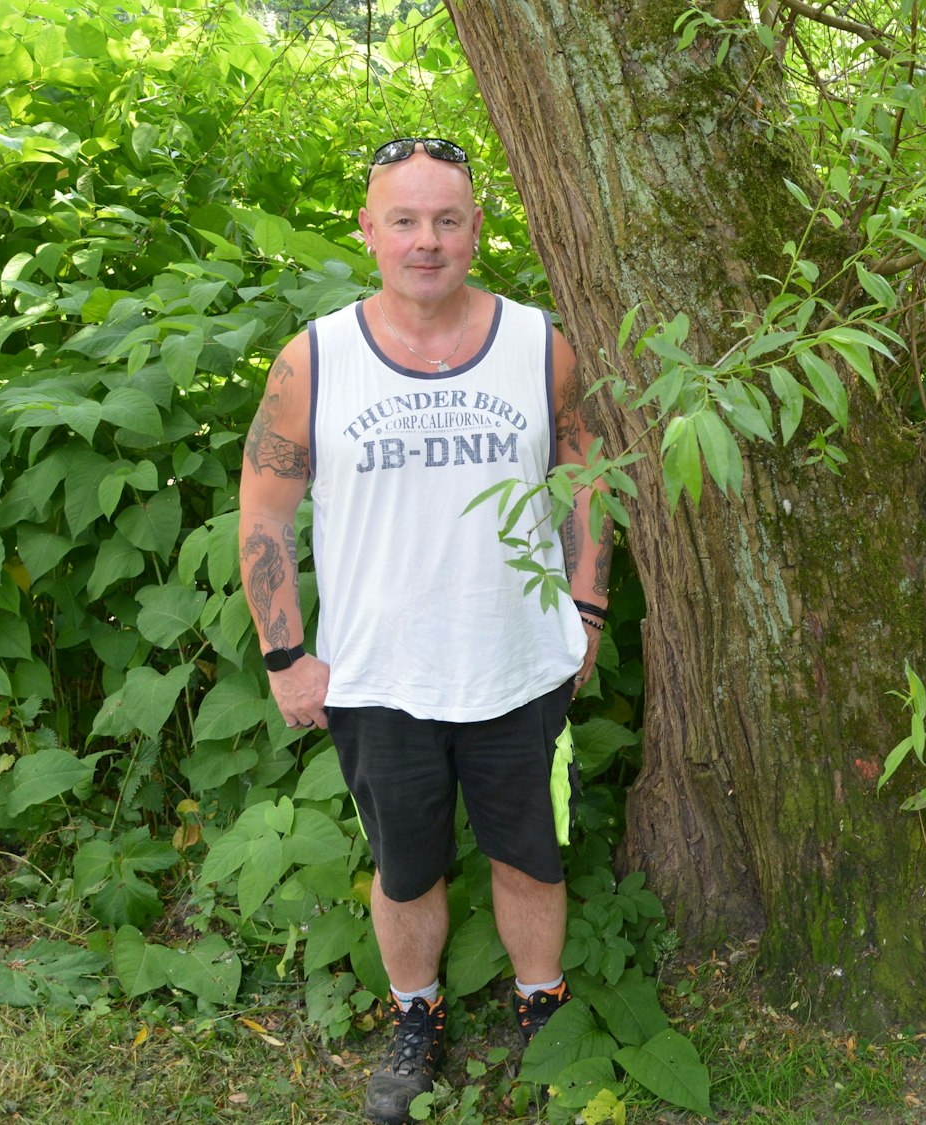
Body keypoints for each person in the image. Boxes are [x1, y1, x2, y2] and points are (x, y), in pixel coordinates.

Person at [235, 136, 613, 1125]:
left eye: (447, 219)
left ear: (476, 228)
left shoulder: (540, 345)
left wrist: (587, 610)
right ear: (368, 232)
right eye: (403, 220)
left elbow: (585, 481)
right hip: (376, 676)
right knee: (404, 871)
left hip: (518, 661)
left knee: (531, 857)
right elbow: (264, 513)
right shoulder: (315, 358)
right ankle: (416, 1016)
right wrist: (285, 654)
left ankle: (542, 1006)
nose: (426, 240)